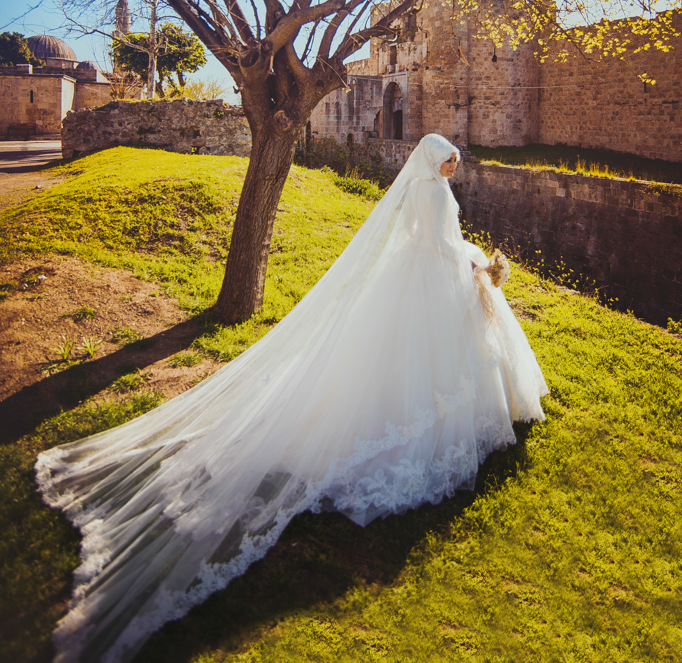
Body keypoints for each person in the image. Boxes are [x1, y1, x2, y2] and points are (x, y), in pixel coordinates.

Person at [36, 134, 548, 663]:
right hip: (435, 273)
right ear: (433, 158)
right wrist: (475, 263)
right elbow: (441, 243)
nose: (453, 164)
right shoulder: (436, 192)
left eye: (454, 158)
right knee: (434, 352)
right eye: (448, 157)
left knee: (388, 350)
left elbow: (419, 236)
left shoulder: (421, 185)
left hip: (411, 271)